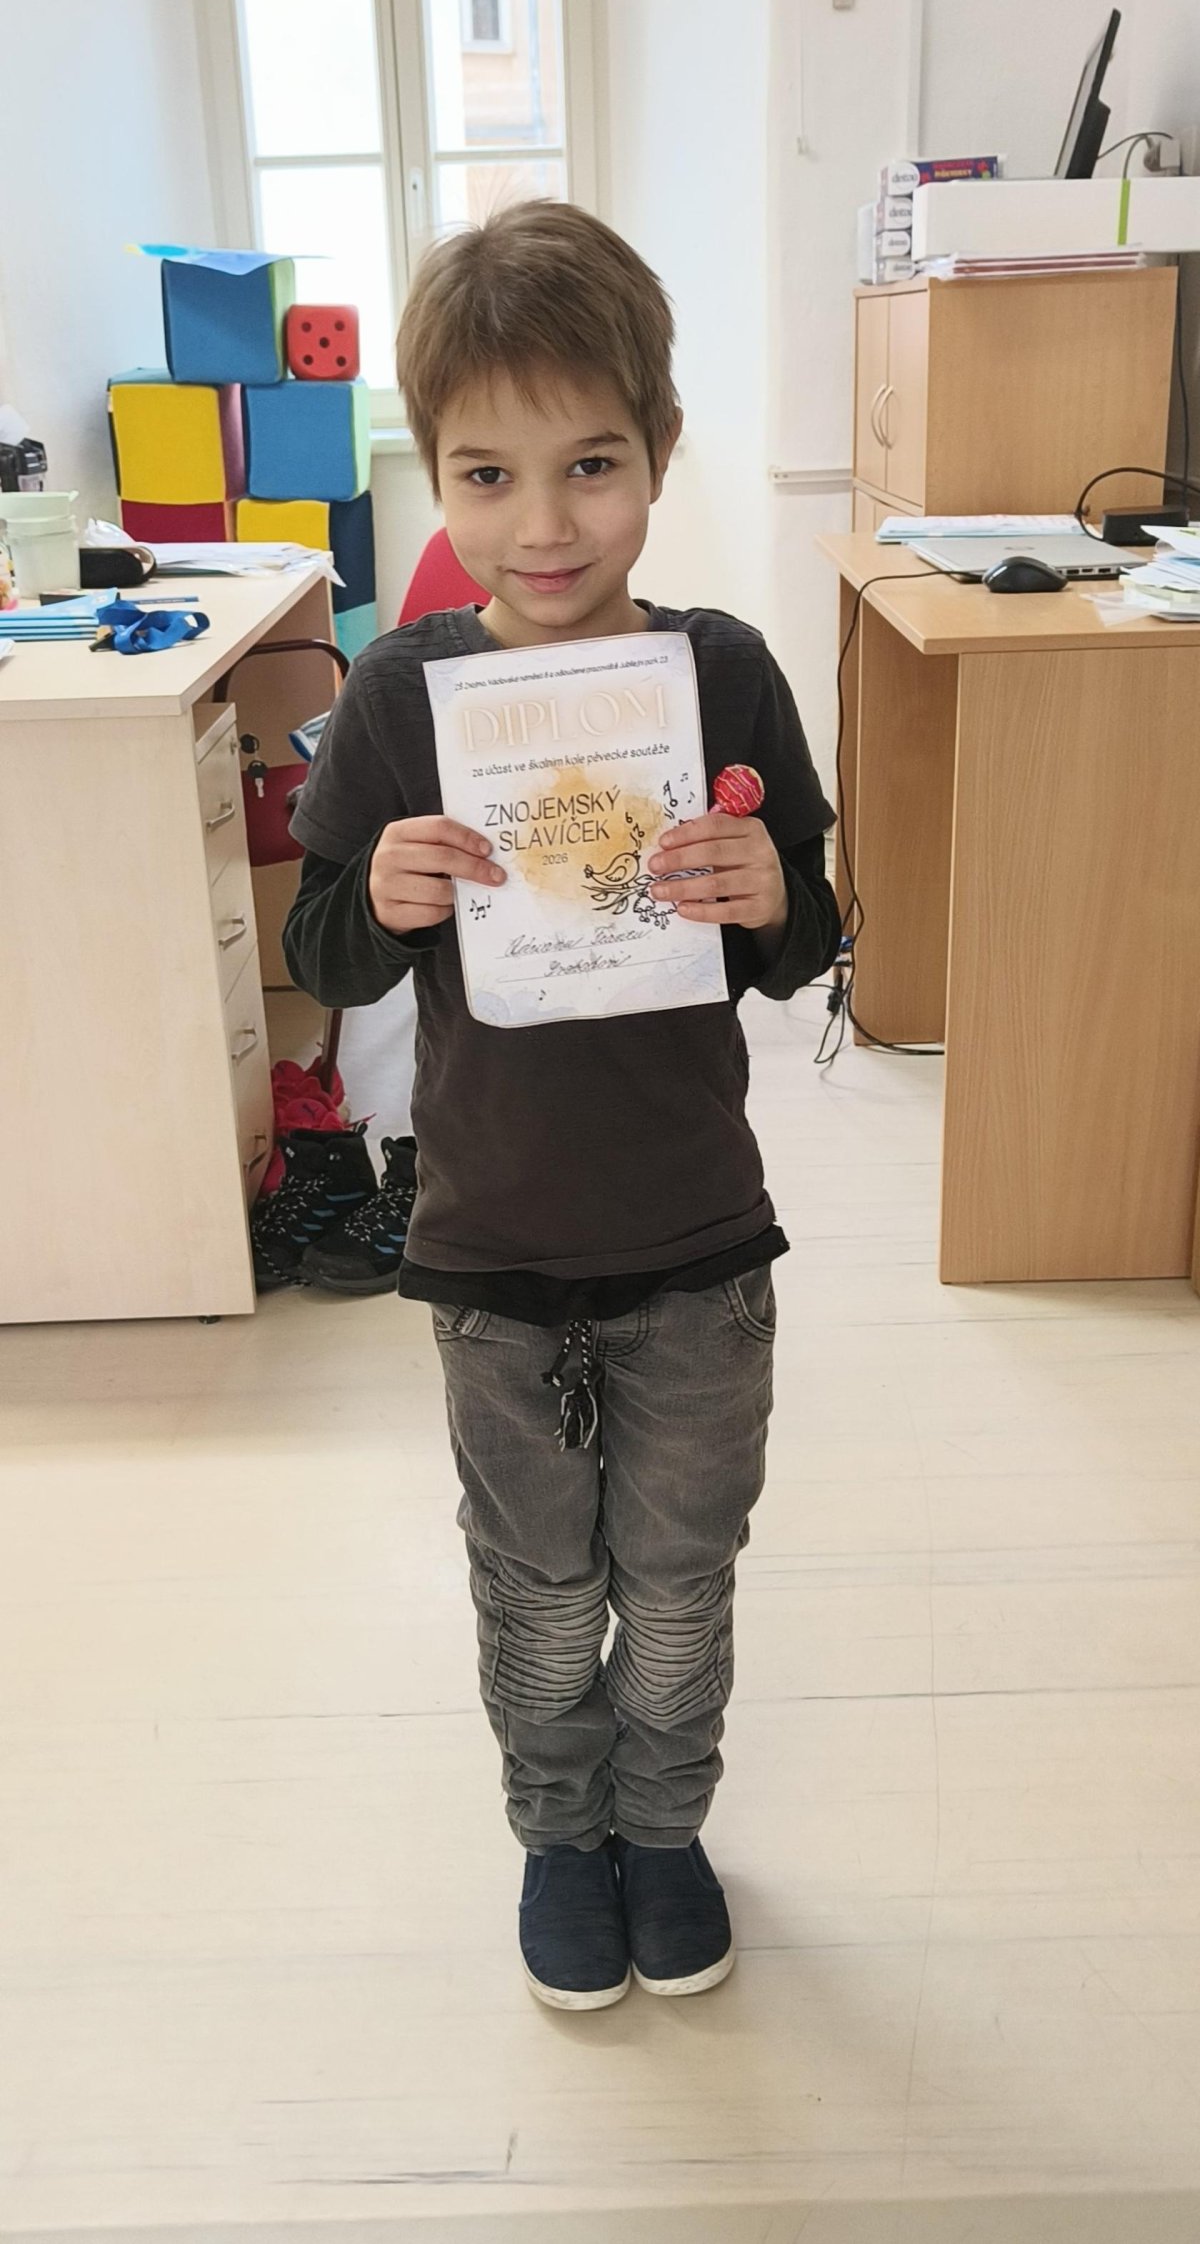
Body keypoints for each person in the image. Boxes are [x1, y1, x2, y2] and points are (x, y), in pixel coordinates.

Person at [284, 200, 840, 2012]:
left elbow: (806, 944)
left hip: (695, 1243)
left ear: (660, 451)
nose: (545, 524)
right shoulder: (400, 693)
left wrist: (777, 896)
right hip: (491, 1248)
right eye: (488, 473)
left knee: (677, 1577)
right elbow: (322, 950)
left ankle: (662, 1832)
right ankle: (559, 1836)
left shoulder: (723, 672)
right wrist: (379, 900)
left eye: (592, 464)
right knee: (534, 1586)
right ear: (431, 473)